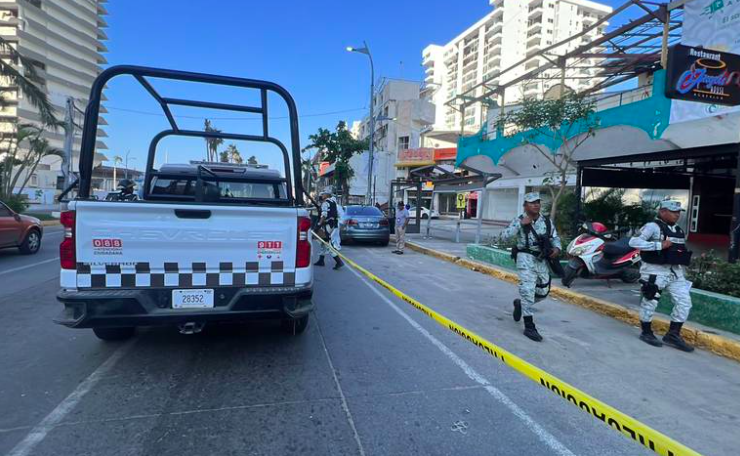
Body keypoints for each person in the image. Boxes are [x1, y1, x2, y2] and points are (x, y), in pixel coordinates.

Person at [629, 200, 694, 352]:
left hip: (675, 271)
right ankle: (646, 332)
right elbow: (634, 242)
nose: (676, 215)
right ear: (662, 211)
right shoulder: (652, 227)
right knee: (650, 301)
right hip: (654, 270)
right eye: (673, 212)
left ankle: (673, 334)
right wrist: (658, 245)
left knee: (685, 302)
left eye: (678, 212)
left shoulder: (678, 230)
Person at [500, 192, 561, 342]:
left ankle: (521, 304)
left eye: (538, 202)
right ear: (525, 205)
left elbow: (555, 237)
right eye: (532, 202)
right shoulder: (519, 220)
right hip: (525, 258)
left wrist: (557, 249)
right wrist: (520, 225)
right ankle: (529, 326)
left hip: (541, 259)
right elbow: (504, 237)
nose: (536, 204)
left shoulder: (546, 221)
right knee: (527, 290)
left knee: (543, 291)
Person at [314, 187, 344, 270]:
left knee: (327, 243)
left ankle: (339, 261)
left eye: (323, 194)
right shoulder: (333, 202)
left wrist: (318, 225)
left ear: (327, 194)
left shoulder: (325, 203)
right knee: (323, 242)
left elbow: (324, 215)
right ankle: (321, 260)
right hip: (333, 224)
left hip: (327, 225)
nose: (322, 196)